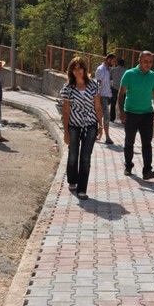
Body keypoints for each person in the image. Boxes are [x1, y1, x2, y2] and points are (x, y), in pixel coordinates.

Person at [61, 56, 103, 200]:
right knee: (73, 155)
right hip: (74, 125)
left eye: (80, 68)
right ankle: (72, 180)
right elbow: (66, 111)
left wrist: (101, 125)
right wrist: (66, 131)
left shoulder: (93, 85)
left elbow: (98, 106)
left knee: (85, 157)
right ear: (71, 71)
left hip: (90, 125)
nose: (78, 71)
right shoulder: (68, 88)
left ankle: (82, 189)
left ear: (85, 69)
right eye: (75, 69)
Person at [118, 51, 154, 180]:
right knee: (129, 141)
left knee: (147, 143)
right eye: (146, 61)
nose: (148, 64)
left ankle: (147, 170)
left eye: (150, 62)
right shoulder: (129, 74)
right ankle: (128, 165)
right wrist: (121, 111)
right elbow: (121, 93)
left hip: (147, 114)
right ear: (139, 61)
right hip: (131, 113)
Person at [95, 53, 116, 144]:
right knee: (106, 116)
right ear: (108, 59)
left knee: (99, 116)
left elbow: (109, 84)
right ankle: (107, 137)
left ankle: (96, 134)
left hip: (107, 96)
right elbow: (98, 84)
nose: (114, 63)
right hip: (101, 96)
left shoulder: (108, 70)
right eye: (113, 60)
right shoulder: (100, 69)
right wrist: (97, 98)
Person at [110, 58, 127, 123]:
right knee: (124, 104)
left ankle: (112, 118)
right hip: (123, 89)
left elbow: (110, 78)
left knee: (113, 103)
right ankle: (123, 119)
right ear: (123, 64)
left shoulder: (113, 70)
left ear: (117, 63)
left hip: (114, 88)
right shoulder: (126, 71)